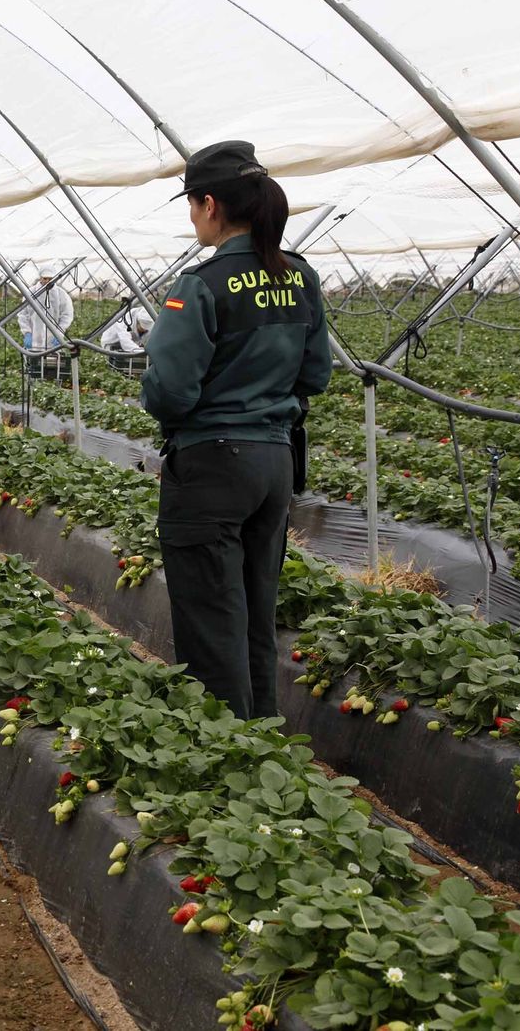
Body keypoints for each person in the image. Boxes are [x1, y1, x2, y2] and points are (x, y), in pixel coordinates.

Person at [140, 140, 332, 720]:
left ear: (210, 205)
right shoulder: (299, 276)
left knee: (209, 616)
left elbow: (170, 390)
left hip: (212, 468)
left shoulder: (203, 283)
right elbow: (315, 374)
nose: (193, 216)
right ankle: (262, 730)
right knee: (253, 607)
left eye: (192, 205)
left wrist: (183, 411)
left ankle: (226, 754)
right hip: (274, 464)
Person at [15, 267, 74, 351]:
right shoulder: (30, 293)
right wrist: (27, 333)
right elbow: (23, 315)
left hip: (54, 342)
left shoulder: (62, 294)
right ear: (40, 278)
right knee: (35, 362)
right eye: (45, 278)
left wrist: (59, 334)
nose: (47, 281)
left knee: (52, 362)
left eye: (50, 279)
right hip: (34, 341)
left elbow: (67, 315)